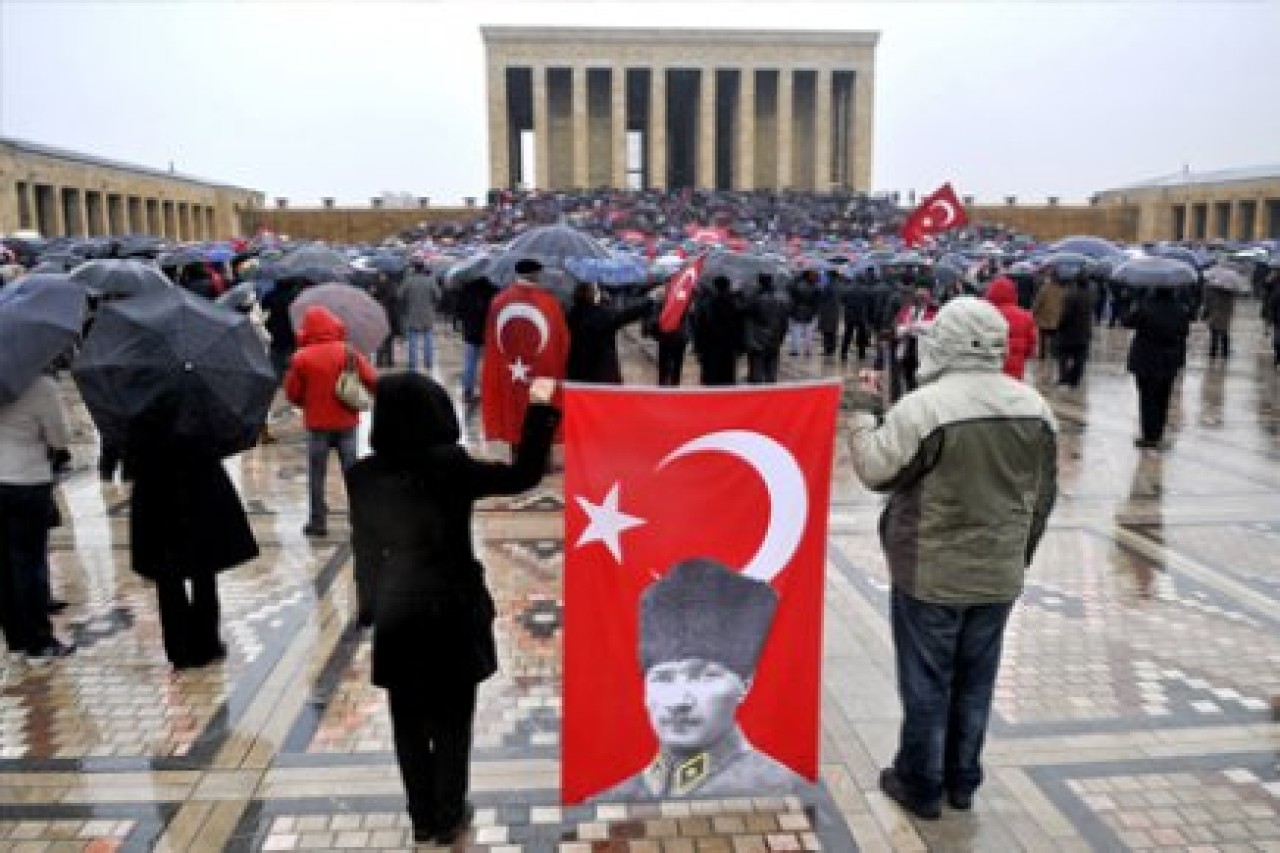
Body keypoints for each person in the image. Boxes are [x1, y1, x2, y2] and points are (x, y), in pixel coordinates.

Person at [846, 297, 1058, 820]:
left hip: (930, 571)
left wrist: (861, 412)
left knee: (927, 683)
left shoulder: (927, 407)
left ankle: (920, 783)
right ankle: (962, 780)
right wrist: (1017, 556)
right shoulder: (1035, 407)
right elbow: (1043, 497)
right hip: (998, 571)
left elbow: (876, 470)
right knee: (975, 680)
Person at [347, 373, 560, 846]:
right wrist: (540, 409)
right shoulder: (451, 466)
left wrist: (369, 608)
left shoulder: (362, 475)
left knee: (407, 723)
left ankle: (421, 816)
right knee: (451, 722)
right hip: (452, 611)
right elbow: (524, 474)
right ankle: (449, 815)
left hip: (398, 614)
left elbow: (363, 551)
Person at [592, 558, 806, 801]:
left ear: (746, 684)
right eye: (663, 678)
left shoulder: (783, 790)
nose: (679, 701)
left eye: (705, 676)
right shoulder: (611, 799)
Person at [127, 395, 259, 670]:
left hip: (156, 493)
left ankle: (180, 649)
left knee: (168, 575)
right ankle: (206, 643)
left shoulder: (137, 397)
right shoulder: (197, 392)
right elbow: (222, 438)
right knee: (203, 569)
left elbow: (129, 453)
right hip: (199, 488)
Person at [0, 368, 75, 662]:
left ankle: (16, 639)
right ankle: (39, 643)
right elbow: (59, 437)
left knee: (4, 566)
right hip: (27, 483)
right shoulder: (42, 386)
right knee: (30, 564)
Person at [284, 305, 377, 537]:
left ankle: (318, 523)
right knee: (353, 474)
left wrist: (309, 402)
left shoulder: (301, 357)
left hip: (318, 426)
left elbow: (292, 394)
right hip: (347, 423)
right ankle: (360, 519)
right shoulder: (348, 352)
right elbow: (373, 380)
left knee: (317, 475)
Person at [481, 259, 569, 450]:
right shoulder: (550, 302)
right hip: (543, 370)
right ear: (537, 275)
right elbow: (562, 339)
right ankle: (541, 458)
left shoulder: (498, 301)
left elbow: (491, 337)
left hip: (508, 370)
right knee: (541, 412)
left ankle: (516, 452)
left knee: (514, 410)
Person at [1124, 288, 1192, 449]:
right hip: (1169, 360)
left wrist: (1131, 305)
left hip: (1145, 359)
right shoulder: (1180, 309)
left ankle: (1149, 436)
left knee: (1147, 398)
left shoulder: (1145, 307)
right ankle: (1158, 434)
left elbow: (1126, 321)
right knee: (1163, 398)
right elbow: (1185, 332)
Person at [566, 282, 652, 384]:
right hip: (601, 373)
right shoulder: (600, 314)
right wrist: (649, 301)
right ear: (589, 294)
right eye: (594, 290)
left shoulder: (572, 314)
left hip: (576, 372)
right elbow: (625, 315)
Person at [690, 276, 744, 386]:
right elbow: (740, 329)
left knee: (711, 379)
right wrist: (739, 347)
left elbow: (699, 328)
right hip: (728, 348)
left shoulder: (706, 305)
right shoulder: (735, 305)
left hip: (710, 348)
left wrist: (698, 348)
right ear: (728, 286)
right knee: (727, 378)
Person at [983, 276, 1037, 380]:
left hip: (991, 369)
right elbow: (1031, 348)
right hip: (1016, 370)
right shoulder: (1025, 316)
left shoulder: (985, 315)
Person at [455, 275, 498, 406]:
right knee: (487, 365)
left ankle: (468, 391)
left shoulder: (467, 288)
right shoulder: (493, 289)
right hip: (487, 333)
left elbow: (459, 311)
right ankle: (486, 392)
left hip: (470, 333)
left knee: (469, 364)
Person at [742, 273, 790, 383]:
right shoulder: (781, 299)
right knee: (771, 371)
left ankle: (757, 393)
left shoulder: (754, 299)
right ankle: (771, 393)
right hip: (774, 339)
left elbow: (745, 314)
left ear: (760, 282)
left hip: (757, 340)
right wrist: (780, 338)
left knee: (756, 371)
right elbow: (784, 322)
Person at [891, 286, 937, 396]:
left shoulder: (933, 311)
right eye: (919, 297)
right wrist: (907, 328)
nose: (921, 300)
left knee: (920, 377)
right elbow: (898, 327)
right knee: (907, 375)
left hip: (923, 350)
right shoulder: (907, 309)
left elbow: (933, 327)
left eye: (923, 297)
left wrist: (914, 326)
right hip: (907, 347)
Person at [398, 262, 442, 373]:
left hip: (412, 313)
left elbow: (399, 295)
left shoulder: (408, 280)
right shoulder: (430, 280)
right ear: (424, 269)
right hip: (428, 313)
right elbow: (438, 296)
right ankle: (428, 362)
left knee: (413, 340)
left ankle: (413, 364)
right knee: (428, 339)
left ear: (414, 269)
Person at [1054, 272, 1093, 388]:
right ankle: (1075, 380)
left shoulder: (1071, 296)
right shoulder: (1091, 295)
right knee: (1080, 358)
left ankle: (1064, 377)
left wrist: (1059, 325)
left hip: (1069, 332)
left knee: (1063, 356)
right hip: (1084, 332)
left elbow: (1065, 314)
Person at [1030, 271, 1065, 360]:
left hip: (1044, 318)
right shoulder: (1062, 289)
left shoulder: (1044, 288)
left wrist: (1032, 313)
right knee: (1054, 337)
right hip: (1057, 318)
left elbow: (1038, 302)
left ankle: (1042, 355)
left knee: (1042, 338)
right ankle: (1054, 353)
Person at [1202, 285, 1235, 359]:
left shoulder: (1210, 289)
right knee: (1223, 332)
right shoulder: (1229, 291)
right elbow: (1231, 305)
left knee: (1214, 332)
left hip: (1215, 313)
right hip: (1223, 314)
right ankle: (1224, 352)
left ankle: (1214, 351)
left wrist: (1205, 313)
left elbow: (1207, 303)